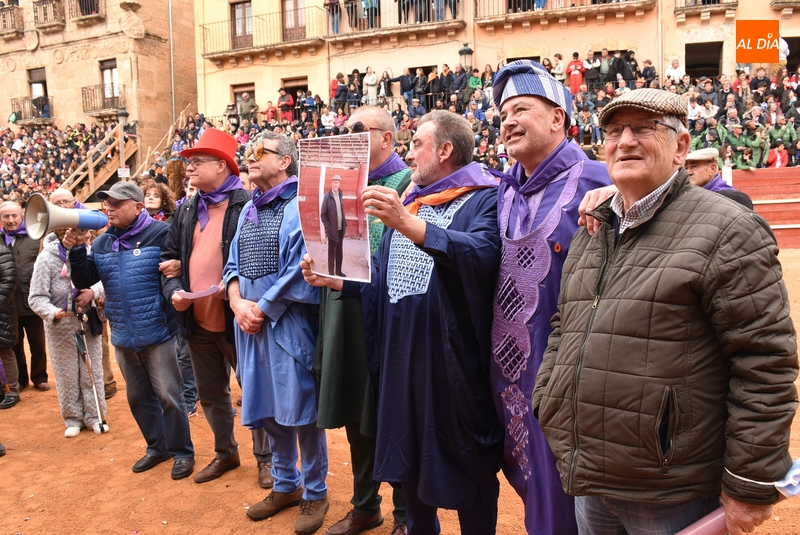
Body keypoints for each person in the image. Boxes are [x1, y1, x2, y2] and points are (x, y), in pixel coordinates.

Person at [532, 87, 798, 535]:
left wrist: (750, 481)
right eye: (614, 131)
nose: (625, 141)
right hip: (590, 478)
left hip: (672, 490)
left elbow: (764, 361)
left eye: (644, 128)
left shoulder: (728, 229)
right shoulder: (594, 230)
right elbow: (565, 325)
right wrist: (549, 401)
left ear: (680, 147)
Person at [302, 110, 504, 534]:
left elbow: (482, 254)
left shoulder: (485, 197)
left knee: (469, 471)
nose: (409, 154)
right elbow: (381, 276)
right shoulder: (411, 203)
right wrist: (336, 280)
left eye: (417, 145)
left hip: (451, 369)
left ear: (445, 150)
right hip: (399, 363)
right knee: (408, 466)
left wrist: (408, 223)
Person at [489, 60, 612, 535]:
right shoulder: (503, 190)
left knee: (576, 496)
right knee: (536, 485)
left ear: (558, 117)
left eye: (521, 109)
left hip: (575, 377)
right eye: (503, 115)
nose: (508, 122)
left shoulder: (601, 180)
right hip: (511, 376)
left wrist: (624, 196)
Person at [225, 131, 328, 533]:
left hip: (287, 326)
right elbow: (231, 265)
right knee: (267, 411)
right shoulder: (248, 209)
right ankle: (286, 485)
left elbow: (302, 268)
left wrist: (261, 309)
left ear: (285, 161)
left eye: (258, 152)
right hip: (249, 327)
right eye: (246, 152)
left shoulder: (301, 204)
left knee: (301, 413)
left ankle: (315, 492)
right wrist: (237, 303)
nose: (249, 158)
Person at [315, 107, 411, 535]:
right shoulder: (337, 181)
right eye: (344, 129)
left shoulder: (410, 182)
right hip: (345, 309)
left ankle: (407, 515)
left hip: (390, 314)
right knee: (356, 411)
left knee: (396, 411)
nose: (347, 135)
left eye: (357, 129)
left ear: (387, 138)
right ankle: (366, 505)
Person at [160, 128, 273, 487]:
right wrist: (174, 290)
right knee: (211, 394)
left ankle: (267, 459)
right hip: (197, 322)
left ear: (222, 165)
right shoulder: (187, 208)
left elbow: (263, 258)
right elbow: (168, 259)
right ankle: (226, 453)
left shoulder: (249, 204)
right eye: (189, 162)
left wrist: (238, 287)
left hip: (237, 319)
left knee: (254, 390)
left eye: (198, 161)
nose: (189, 167)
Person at [64, 182, 195, 480]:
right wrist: (76, 249)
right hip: (123, 334)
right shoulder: (102, 242)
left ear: (137, 207)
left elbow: (176, 274)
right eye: (107, 204)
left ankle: (182, 452)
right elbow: (84, 280)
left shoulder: (161, 233)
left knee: (169, 396)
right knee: (139, 398)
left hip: (159, 331)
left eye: (117, 203)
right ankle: (157, 447)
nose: (109, 209)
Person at [28, 224, 108, 438]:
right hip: (60, 328)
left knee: (92, 372)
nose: (78, 236)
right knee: (66, 375)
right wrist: (54, 312)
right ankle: (73, 418)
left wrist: (92, 293)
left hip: (88, 323)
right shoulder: (46, 259)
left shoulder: (90, 253)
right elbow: (36, 298)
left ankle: (95, 416)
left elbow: (105, 281)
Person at [0, 202, 49, 392]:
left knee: (37, 342)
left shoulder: (35, 237)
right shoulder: (0, 240)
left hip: (31, 299)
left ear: (21, 216)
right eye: (6, 216)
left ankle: (39, 376)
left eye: (14, 215)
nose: (10, 220)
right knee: (15, 344)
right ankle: (21, 379)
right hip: (8, 304)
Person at [0, 237, 17, 410]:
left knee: (5, 351)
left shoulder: (2, 251)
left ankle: (12, 391)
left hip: (2, 311)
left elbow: (9, 281)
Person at [320, 175, 347, 277]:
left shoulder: (340, 194)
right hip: (332, 231)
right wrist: (328, 227)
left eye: (337, 182)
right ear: (331, 183)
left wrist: (344, 223)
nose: (336, 184)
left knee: (339, 252)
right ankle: (331, 274)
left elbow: (341, 211)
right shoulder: (327, 197)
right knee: (331, 254)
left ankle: (338, 272)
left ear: (339, 184)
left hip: (340, 230)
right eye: (334, 182)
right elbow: (323, 215)